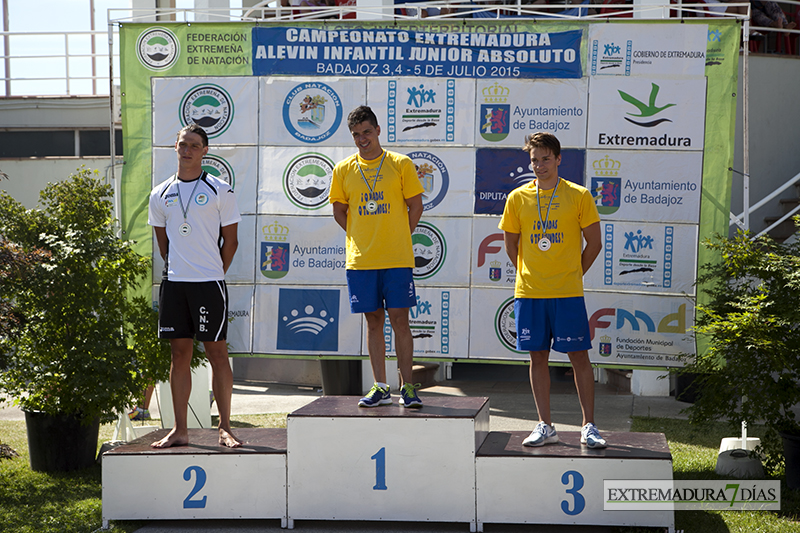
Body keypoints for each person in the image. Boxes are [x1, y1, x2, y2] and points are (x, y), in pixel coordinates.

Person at [499, 132, 607, 449]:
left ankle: (589, 425)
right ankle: (545, 426)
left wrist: (573, 273)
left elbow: (595, 243)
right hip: (530, 292)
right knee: (538, 358)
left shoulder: (578, 195)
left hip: (567, 292)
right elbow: (511, 245)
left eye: (546, 158)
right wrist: (530, 273)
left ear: (559, 159)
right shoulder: (517, 198)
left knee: (579, 357)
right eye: (535, 159)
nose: (540, 165)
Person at [147, 123, 242, 448]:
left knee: (217, 352)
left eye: (194, 145)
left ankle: (225, 427)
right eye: (182, 144)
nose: (187, 150)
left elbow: (231, 241)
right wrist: (181, 268)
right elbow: (164, 244)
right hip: (175, 284)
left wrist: (213, 270)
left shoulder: (220, 189)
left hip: (209, 284)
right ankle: (180, 429)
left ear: (204, 150)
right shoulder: (160, 193)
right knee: (179, 355)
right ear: (175, 147)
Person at [330, 105, 425, 408]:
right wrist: (361, 236)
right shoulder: (343, 169)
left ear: (378, 130)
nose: (362, 139)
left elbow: (416, 206)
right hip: (362, 261)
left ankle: (407, 387)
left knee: (400, 321)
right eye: (356, 135)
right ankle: (381, 386)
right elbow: (339, 211)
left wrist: (398, 235)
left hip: (396, 259)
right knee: (373, 323)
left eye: (367, 132)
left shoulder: (400, 164)